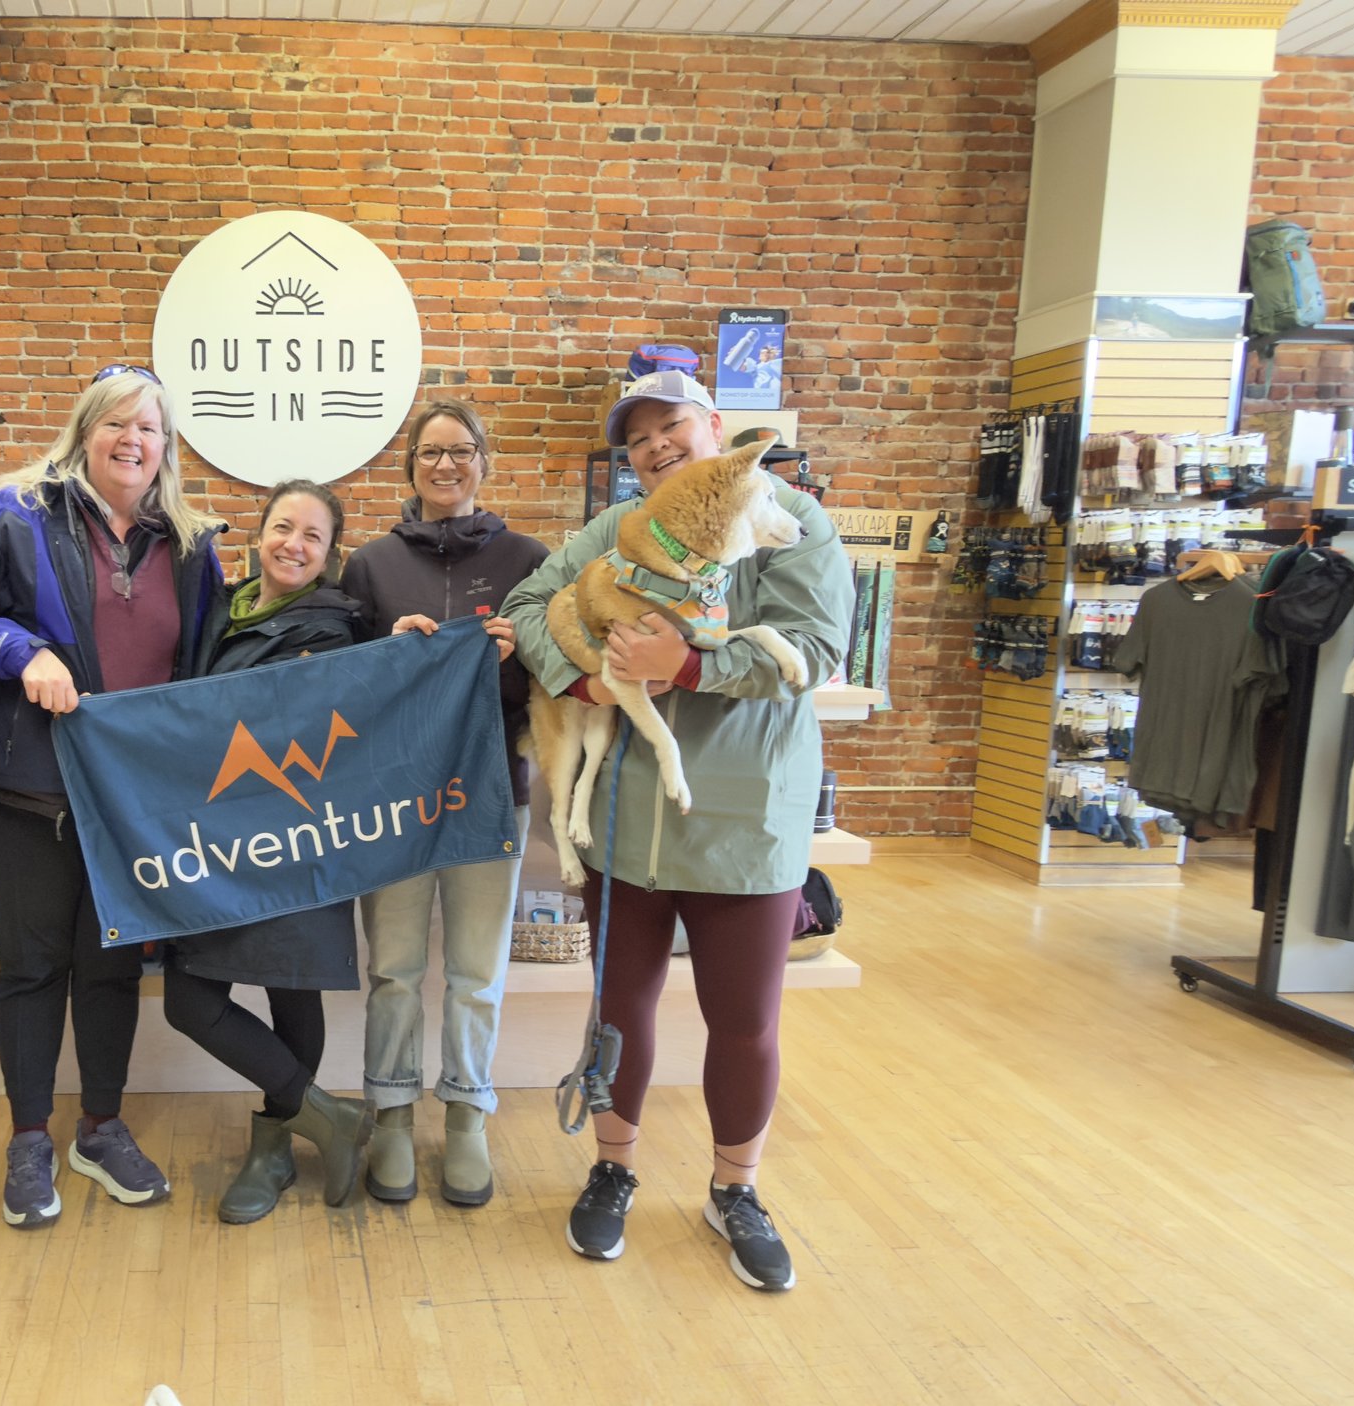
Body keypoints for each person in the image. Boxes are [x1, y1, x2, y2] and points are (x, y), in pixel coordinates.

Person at [501, 369, 852, 1290]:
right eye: (638, 439)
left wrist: (687, 667)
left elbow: (815, 650)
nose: (656, 447)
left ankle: (736, 1189)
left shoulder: (794, 523)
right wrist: (581, 679)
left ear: (717, 429)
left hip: (744, 821)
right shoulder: (615, 534)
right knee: (620, 1006)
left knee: (744, 1021)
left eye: (671, 427)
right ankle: (612, 1166)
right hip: (627, 820)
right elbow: (531, 607)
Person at [0, 366, 226, 1229]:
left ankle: (101, 1127)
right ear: (86, 428)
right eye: (118, 424)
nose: (135, 441)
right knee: (31, 967)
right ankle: (29, 1138)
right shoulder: (19, 512)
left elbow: (205, 663)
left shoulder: (194, 542)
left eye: (151, 429)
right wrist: (22, 651)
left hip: (132, 800)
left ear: (167, 446)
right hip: (31, 789)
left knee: (110, 967)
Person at [337, 400, 548, 1206]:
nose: (446, 465)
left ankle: (467, 1113)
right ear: (411, 466)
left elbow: (557, 678)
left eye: (462, 450)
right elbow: (343, 692)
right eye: (430, 452)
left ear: (484, 462)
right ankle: (390, 1110)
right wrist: (391, 657)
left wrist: (520, 652)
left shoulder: (532, 561)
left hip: (491, 793)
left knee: (475, 970)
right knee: (392, 965)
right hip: (392, 797)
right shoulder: (371, 566)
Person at [162, 480, 374, 1223]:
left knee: (292, 990)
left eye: (312, 537)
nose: (294, 544)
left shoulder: (333, 629)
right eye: (284, 527)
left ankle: (275, 1147)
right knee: (189, 1001)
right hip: (213, 841)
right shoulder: (218, 609)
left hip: (292, 840)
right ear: (260, 534)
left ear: (329, 554)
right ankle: (326, 1116)